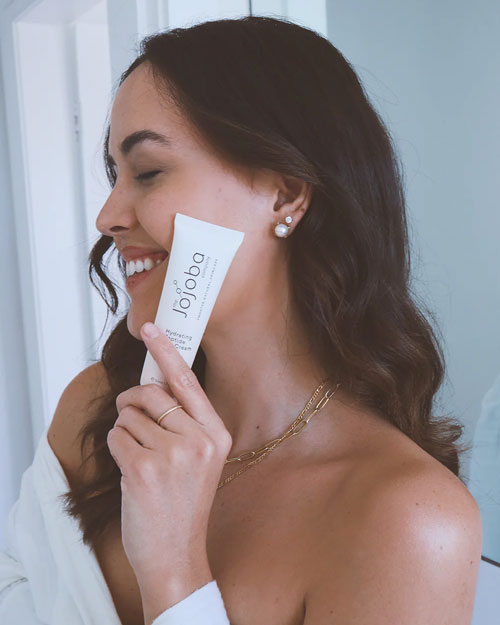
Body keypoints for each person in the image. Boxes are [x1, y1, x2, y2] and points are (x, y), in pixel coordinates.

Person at [1, 15, 481, 625]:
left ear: (285, 195)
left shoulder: (410, 523)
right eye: (113, 176)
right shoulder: (95, 414)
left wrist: (174, 570)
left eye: (147, 171)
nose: (108, 216)